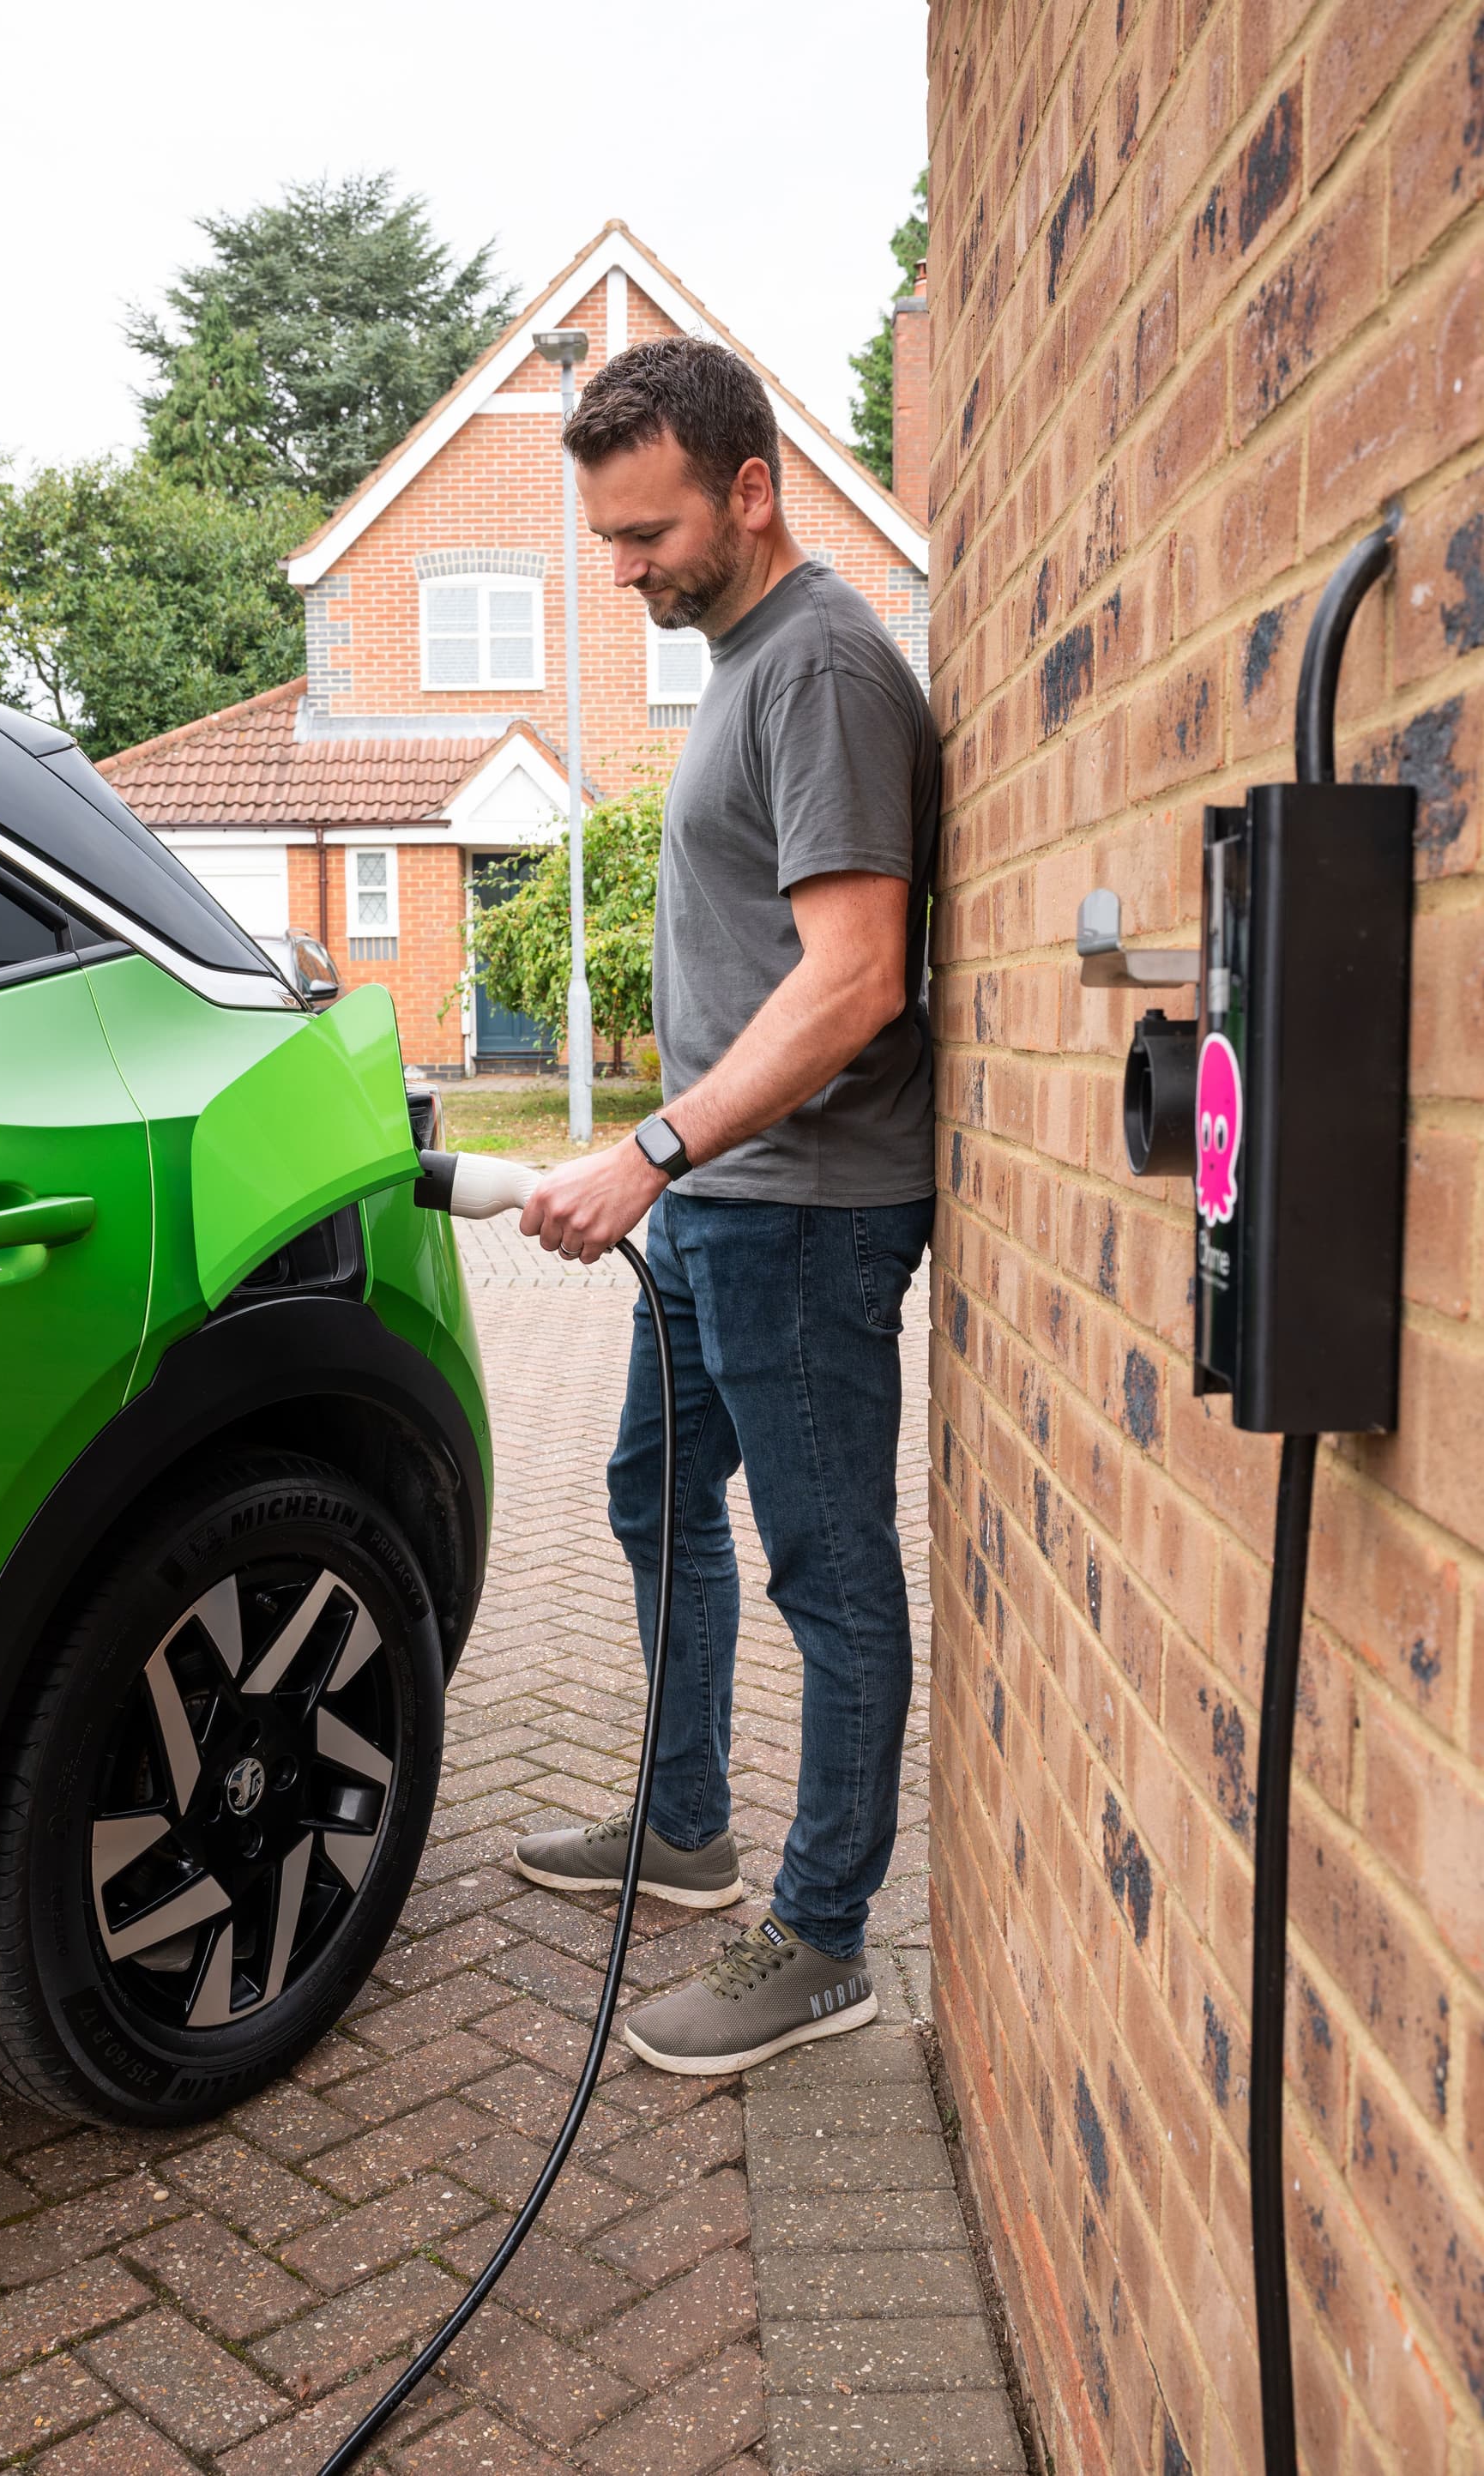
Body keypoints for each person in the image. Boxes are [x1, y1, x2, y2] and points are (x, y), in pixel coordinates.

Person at [511, 335, 939, 2074]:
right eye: (606, 538)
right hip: (720, 1204)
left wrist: (650, 1153)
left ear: (751, 492)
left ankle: (821, 1934)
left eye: (647, 535)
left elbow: (856, 981)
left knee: (830, 1575)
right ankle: (685, 1822)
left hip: (798, 1209)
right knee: (646, 1497)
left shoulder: (822, 664)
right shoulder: (746, 652)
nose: (622, 575)